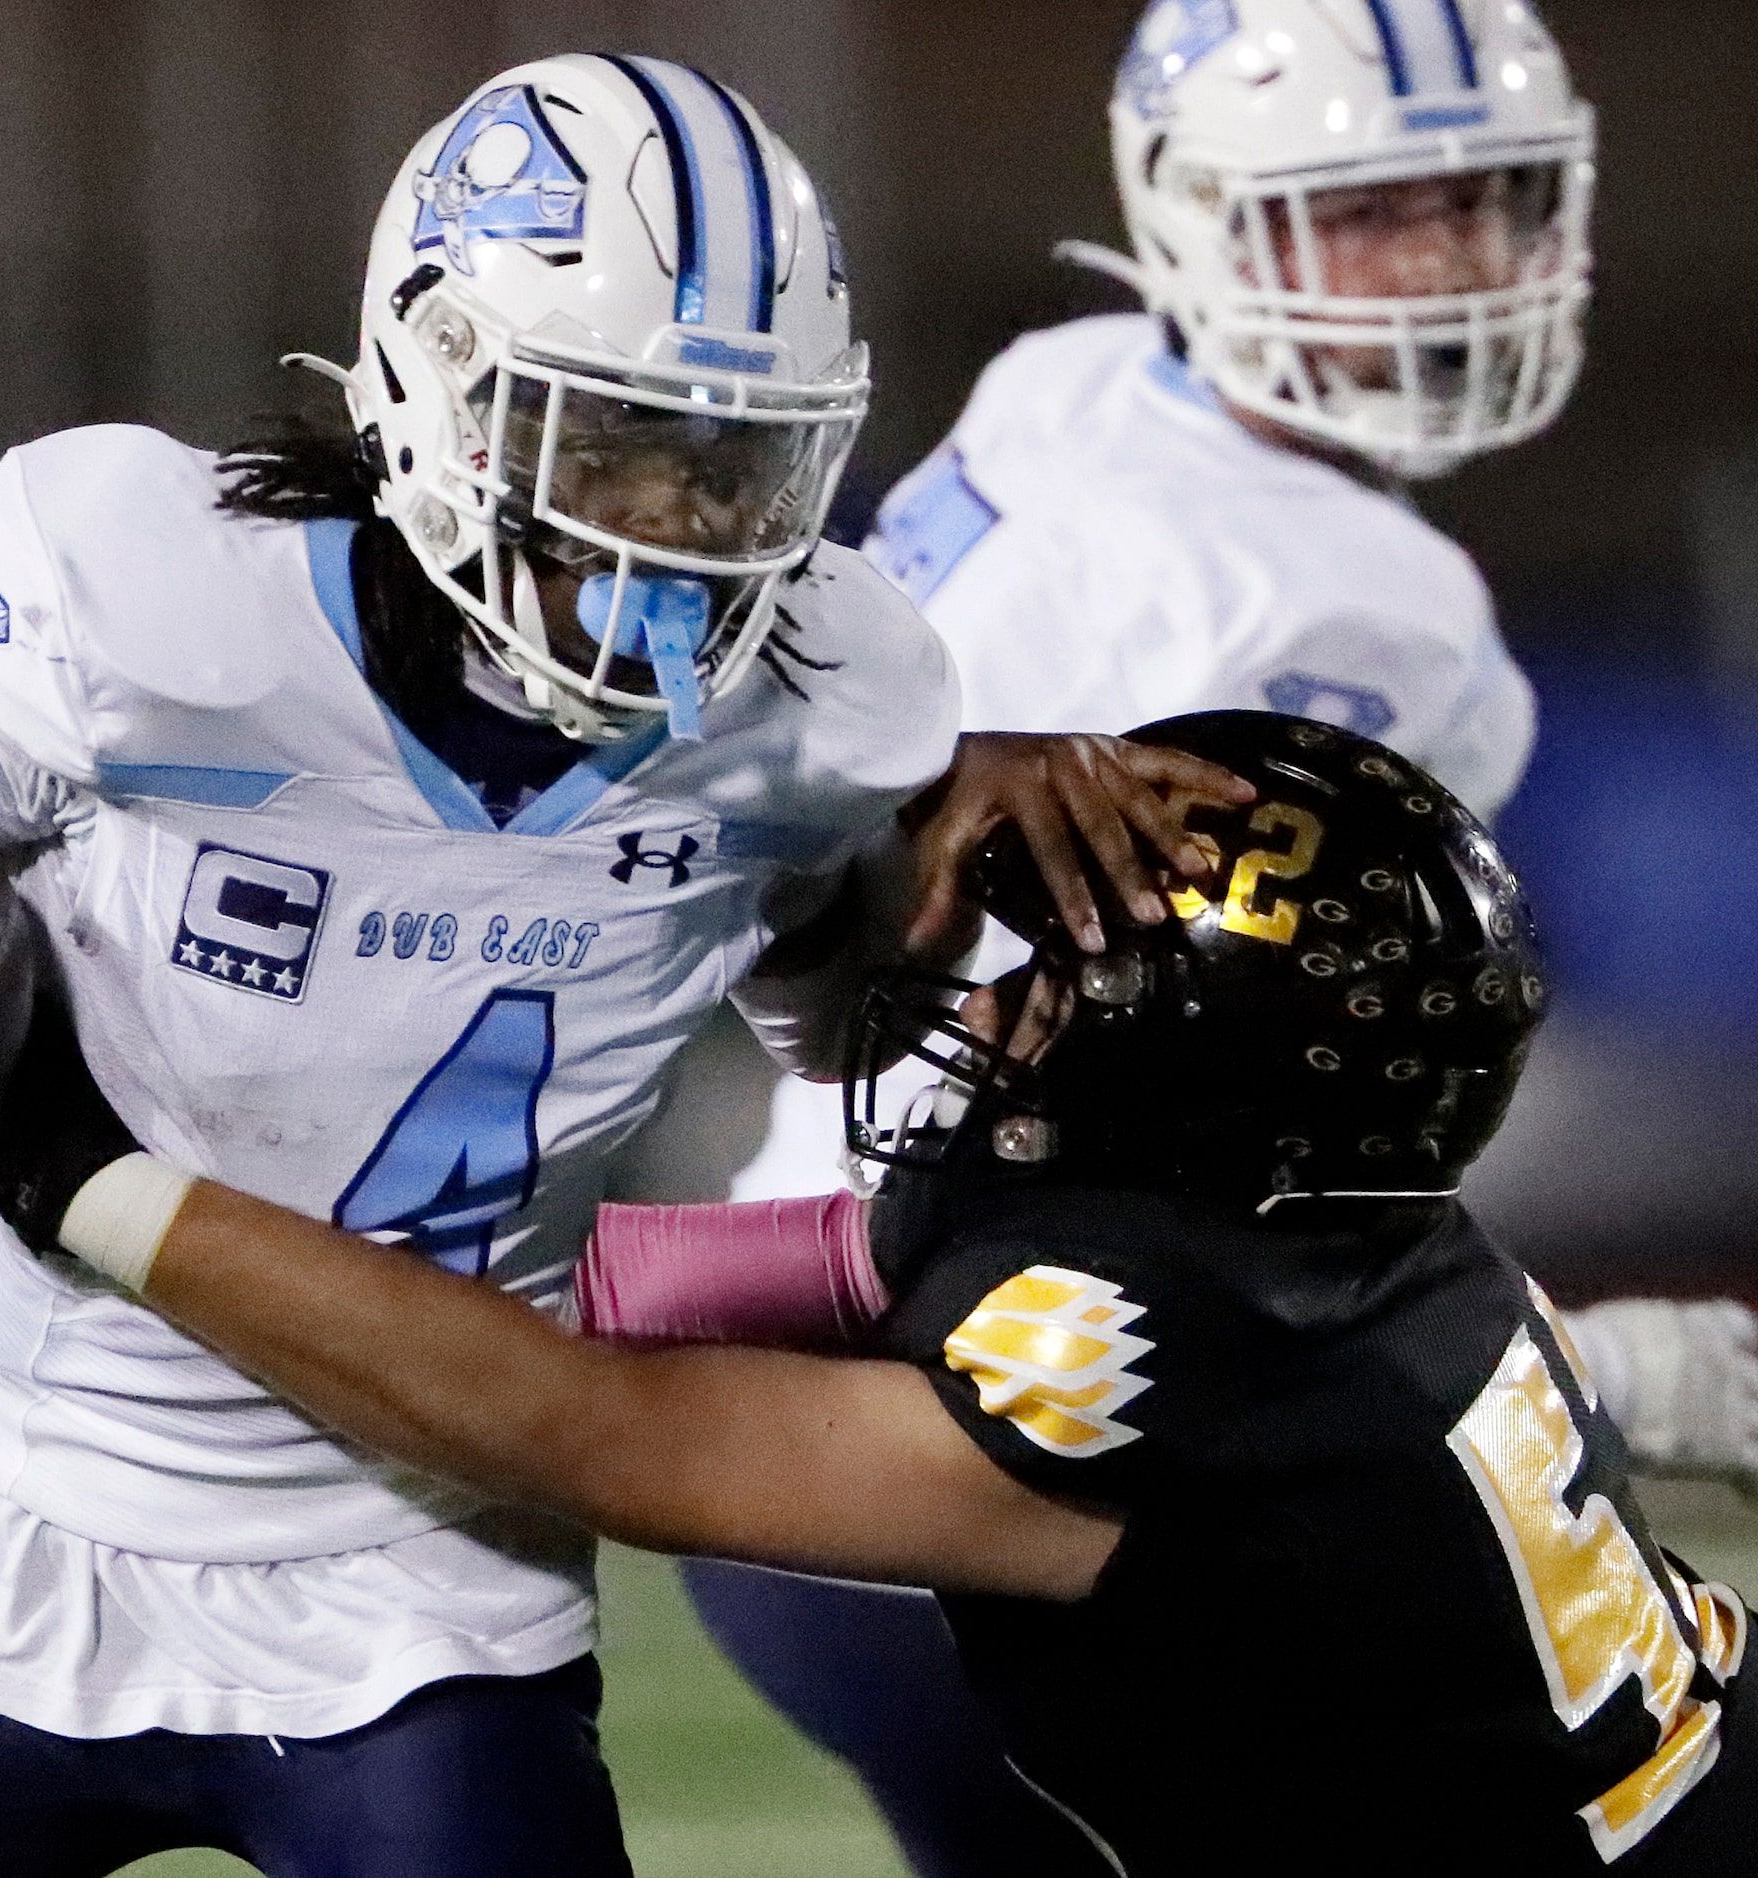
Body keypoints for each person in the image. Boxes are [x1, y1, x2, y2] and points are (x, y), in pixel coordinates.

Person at [0, 54, 1240, 1878]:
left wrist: (925, 905)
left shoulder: (833, 703)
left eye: (736, 466)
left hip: (430, 1581)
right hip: (31, 1514)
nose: (675, 533)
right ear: (438, 386)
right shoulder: (150, 598)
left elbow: (829, 1029)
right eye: (615, 444)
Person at [0, 712, 1757, 1876]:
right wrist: (119, 1268)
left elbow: (579, 1426)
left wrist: (82, 1177)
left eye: (1054, 983)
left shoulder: (1150, 1341)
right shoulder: (1314, 1221)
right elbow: (663, 1282)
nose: (981, 1005)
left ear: (1190, 1071)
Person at [634, 6, 1758, 1869]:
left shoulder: (1076, 383)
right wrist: (1596, 1373)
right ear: (1193, 209)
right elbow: (1256, 1192)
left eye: (1484, 201)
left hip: (810, 1319)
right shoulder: (1367, 613)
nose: (1451, 262)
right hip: (1005, 1403)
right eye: (1374, 213)